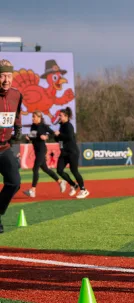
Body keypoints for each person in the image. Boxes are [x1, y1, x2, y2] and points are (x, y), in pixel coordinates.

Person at [0, 59, 22, 233]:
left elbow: (17, 115)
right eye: (2, 76)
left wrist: (18, 133)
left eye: (9, 75)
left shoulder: (16, 94)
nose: (6, 80)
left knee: (14, 183)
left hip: (5, 147)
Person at [23, 111, 66, 198]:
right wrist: (28, 138)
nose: (32, 118)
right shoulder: (33, 126)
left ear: (39, 118)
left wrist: (46, 137)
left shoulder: (44, 126)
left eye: (34, 117)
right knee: (46, 169)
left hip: (42, 150)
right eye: (32, 117)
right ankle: (60, 182)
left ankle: (32, 190)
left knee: (35, 169)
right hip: (36, 150)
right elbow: (33, 136)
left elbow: (52, 134)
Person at [54, 107, 90, 199]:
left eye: (61, 115)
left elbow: (69, 137)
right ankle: (73, 185)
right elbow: (59, 139)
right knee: (59, 170)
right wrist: (56, 136)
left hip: (72, 152)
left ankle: (83, 190)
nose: (59, 117)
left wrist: (59, 134)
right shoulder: (61, 125)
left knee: (74, 171)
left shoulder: (68, 125)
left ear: (66, 116)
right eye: (59, 115)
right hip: (64, 152)